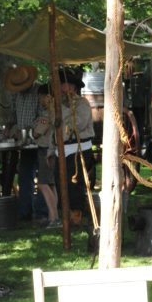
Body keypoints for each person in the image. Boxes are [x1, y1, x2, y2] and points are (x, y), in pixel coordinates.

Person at [2, 63, 41, 221]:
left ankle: (43, 213)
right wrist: (10, 127)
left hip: (39, 141)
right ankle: (25, 212)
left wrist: (28, 130)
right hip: (24, 144)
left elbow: (43, 116)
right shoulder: (16, 95)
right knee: (24, 177)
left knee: (45, 180)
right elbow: (13, 115)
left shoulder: (39, 91)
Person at [58, 67, 96, 223]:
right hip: (61, 150)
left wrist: (64, 110)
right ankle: (66, 215)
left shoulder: (82, 103)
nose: (59, 87)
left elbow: (78, 124)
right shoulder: (58, 104)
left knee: (74, 186)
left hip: (78, 150)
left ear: (72, 87)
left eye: (62, 84)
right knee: (61, 185)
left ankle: (77, 215)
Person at [31, 83, 61, 227]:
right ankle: (53, 216)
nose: (39, 101)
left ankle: (54, 217)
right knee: (51, 183)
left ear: (48, 97)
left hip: (46, 149)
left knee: (43, 184)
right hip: (53, 149)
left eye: (41, 97)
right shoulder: (59, 110)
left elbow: (36, 133)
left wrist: (32, 131)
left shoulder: (48, 113)